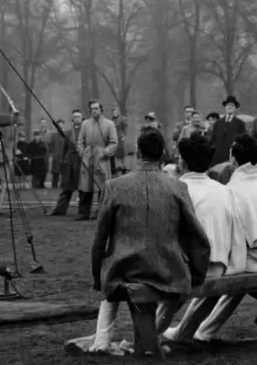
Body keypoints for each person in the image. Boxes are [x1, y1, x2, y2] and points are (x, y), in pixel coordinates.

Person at [80, 128, 211, 357]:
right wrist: (197, 273)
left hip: (125, 272)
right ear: (161, 155)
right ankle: (146, 345)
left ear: (138, 153)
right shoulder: (178, 187)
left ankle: (139, 345)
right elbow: (197, 237)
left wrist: (97, 276)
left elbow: (100, 238)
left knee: (137, 296)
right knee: (143, 302)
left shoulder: (114, 186)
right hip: (169, 272)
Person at [175, 135, 257, 343]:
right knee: (227, 274)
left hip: (249, 260)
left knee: (219, 269)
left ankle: (193, 331)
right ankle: (201, 331)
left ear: (233, 158)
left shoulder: (233, 190)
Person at [157, 134, 247, 341]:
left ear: (182, 162)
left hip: (186, 271)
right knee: (205, 280)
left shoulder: (175, 190)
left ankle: (152, 331)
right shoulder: (225, 191)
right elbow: (237, 236)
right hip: (218, 268)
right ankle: (183, 332)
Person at [76, 100, 120, 221]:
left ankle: (102, 212)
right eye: (92, 109)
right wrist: (82, 152)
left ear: (101, 109)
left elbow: (114, 142)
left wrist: (105, 152)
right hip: (88, 156)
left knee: (102, 185)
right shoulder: (85, 124)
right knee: (86, 186)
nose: (94, 111)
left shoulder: (109, 124)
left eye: (96, 108)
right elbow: (80, 141)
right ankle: (84, 213)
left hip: (101, 157)